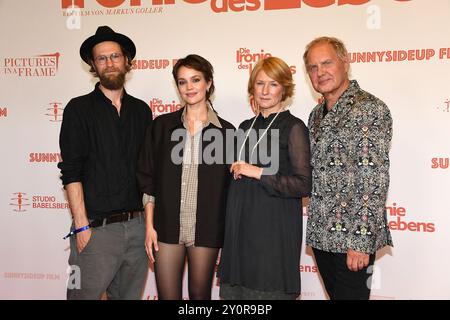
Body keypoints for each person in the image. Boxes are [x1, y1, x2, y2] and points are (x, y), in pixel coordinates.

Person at [58, 26, 151, 300]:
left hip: (137, 229)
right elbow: (71, 170)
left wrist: (148, 224)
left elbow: (148, 172)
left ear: (126, 61)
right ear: (93, 65)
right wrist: (82, 225)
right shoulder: (78, 109)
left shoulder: (142, 111)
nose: (109, 63)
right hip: (96, 230)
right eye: (102, 58)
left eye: (114, 56)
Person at [136, 54, 235, 300]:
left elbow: (230, 188)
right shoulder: (162, 127)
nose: (189, 87)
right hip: (166, 227)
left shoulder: (226, 132)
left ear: (208, 83)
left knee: (200, 297)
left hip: (207, 228)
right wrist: (149, 226)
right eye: (182, 82)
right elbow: (149, 180)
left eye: (195, 80)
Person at [303, 36, 393, 300]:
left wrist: (361, 242)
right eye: (313, 67)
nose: (320, 72)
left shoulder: (370, 108)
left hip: (353, 241)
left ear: (345, 62)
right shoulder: (315, 115)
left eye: (327, 63)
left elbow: (373, 179)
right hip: (322, 236)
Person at [218, 57, 312, 300]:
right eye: (260, 84)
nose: (265, 91)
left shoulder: (294, 127)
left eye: (273, 84)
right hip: (239, 233)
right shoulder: (245, 126)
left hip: (272, 233)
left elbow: (304, 184)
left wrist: (257, 171)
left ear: (284, 88)